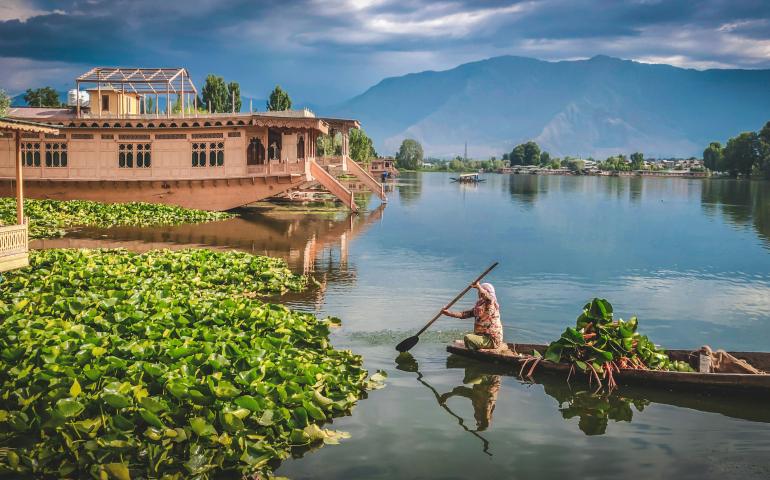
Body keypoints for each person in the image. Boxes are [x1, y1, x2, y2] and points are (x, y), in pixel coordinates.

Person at [442, 282, 503, 351]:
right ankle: (476, 346)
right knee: (468, 338)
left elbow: (488, 297)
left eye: (479, 291)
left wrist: (478, 287)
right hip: (482, 337)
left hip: (492, 340)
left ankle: (475, 352)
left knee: (468, 337)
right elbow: (463, 314)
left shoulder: (491, 303)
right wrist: (449, 313)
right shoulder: (479, 306)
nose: (478, 293)